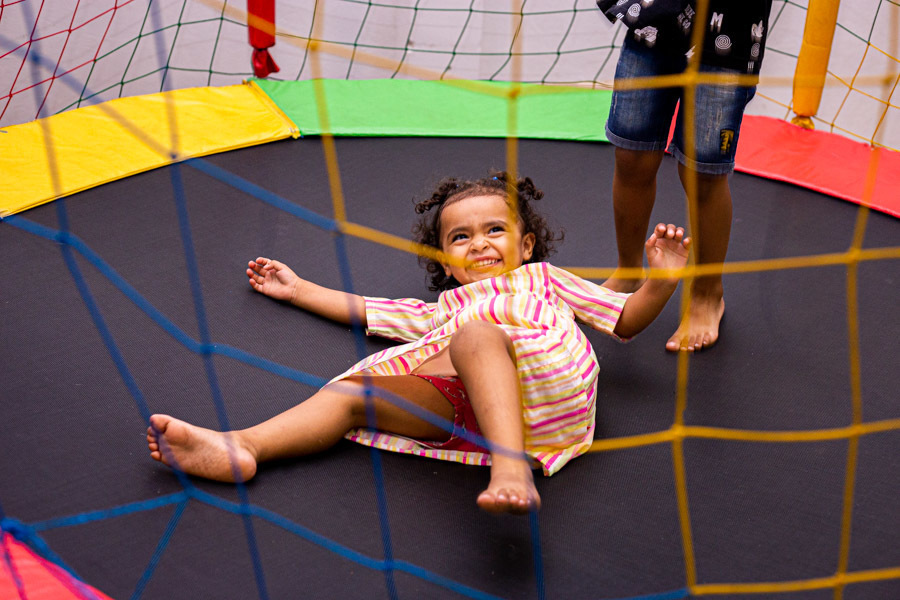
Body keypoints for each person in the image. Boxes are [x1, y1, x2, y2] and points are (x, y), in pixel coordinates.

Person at [147, 172, 691, 515]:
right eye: (460, 237)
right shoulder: (442, 313)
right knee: (354, 393)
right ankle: (243, 446)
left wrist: (661, 281)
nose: (478, 242)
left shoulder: (544, 280)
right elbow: (367, 310)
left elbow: (624, 320)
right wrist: (299, 290)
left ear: (526, 245)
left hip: (546, 397)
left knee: (477, 337)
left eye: (494, 231)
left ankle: (510, 467)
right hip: (470, 408)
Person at [596, 0, 773, 351]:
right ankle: (628, 273)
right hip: (653, 23)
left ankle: (708, 294)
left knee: (702, 172)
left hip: (728, 37)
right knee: (632, 153)